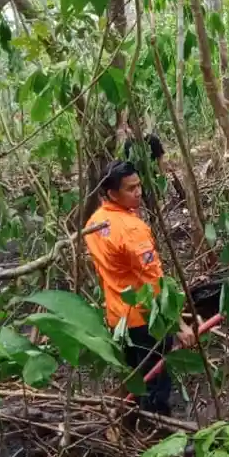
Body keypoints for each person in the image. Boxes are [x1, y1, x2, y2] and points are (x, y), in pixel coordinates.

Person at [84, 161, 195, 416]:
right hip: (145, 319)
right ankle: (158, 431)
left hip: (118, 319)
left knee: (135, 377)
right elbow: (154, 281)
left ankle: (136, 425)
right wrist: (179, 324)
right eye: (131, 188)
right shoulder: (132, 230)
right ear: (112, 193)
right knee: (155, 382)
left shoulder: (95, 223)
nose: (139, 192)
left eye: (139, 185)